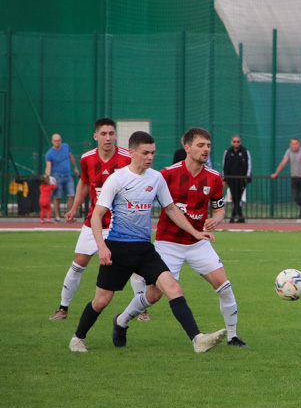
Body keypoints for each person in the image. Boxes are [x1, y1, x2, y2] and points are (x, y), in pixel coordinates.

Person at [68, 131, 226, 353]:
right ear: (132, 152)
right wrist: (102, 247)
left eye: (152, 152)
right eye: (145, 153)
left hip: (144, 249)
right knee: (102, 301)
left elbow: (170, 208)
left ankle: (197, 339)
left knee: (173, 287)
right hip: (118, 248)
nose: (150, 157)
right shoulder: (117, 179)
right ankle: (78, 338)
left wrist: (196, 232)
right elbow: (96, 215)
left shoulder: (156, 178)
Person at [114, 127, 249, 348]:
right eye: (200, 145)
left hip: (198, 243)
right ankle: (121, 320)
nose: (206, 149)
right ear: (186, 147)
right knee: (154, 295)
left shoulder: (214, 177)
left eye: (208, 145)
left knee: (224, 286)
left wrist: (217, 219)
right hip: (168, 244)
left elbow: (219, 208)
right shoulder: (167, 174)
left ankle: (233, 336)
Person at [49, 119, 151, 322]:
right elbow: (84, 183)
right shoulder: (87, 159)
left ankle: (141, 309)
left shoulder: (125, 158)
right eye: (103, 134)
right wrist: (74, 208)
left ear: (116, 135)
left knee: (134, 266)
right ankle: (63, 307)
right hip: (94, 221)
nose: (108, 137)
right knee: (79, 263)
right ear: (96, 136)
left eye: (111, 133)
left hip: (122, 224)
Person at [271, 137, 301, 219]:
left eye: (296, 143)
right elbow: (283, 162)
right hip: (294, 178)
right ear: (290, 145)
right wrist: (276, 173)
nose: (294, 145)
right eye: (293, 144)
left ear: (299, 144)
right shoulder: (288, 151)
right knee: (295, 197)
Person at [45, 133, 78, 223]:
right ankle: (57, 216)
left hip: (68, 176)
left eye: (59, 140)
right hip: (57, 177)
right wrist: (47, 176)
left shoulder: (66, 147)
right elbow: (48, 167)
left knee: (71, 195)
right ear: (52, 142)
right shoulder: (49, 153)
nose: (57, 142)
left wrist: (75, 168)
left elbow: (71, 158)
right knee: (57, 197)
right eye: (55, 141)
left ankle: (70, 215)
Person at [222, 135, 251, 223]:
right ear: (232, 142)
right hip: (231, 179)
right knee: (235, 197)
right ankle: (239, 216)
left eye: (238, 141)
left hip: (241, 179)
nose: (236, 143)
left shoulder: (245, 151)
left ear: (240, 142)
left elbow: (249, 165)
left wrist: (247, 176)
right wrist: (224, 179)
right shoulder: (227, 152)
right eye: (234, 141)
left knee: (237, 198)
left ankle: (234, 217)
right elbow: (225, 165)